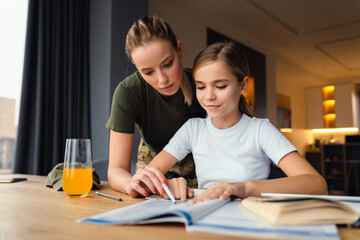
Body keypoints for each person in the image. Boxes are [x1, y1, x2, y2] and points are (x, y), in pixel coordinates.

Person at [128, 41, 328, 202]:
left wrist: (243, 188)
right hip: (205, 216)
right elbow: (143, 182)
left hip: (250, 219)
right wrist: (168, 184)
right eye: (201, 87)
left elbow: (317, 185)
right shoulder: (192, 129)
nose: (209, 97)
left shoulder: (260, 130)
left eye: (220, 86)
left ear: (243, 86)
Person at [106, 16, 206, 197]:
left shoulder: (204, 85)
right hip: (153, 168)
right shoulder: (128, 92)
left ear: (179, 49)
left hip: (201, 167)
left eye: (167, 64)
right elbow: (116, 169)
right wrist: (132, 185)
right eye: (148, 72)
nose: (162, 80)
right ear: (137, 68)